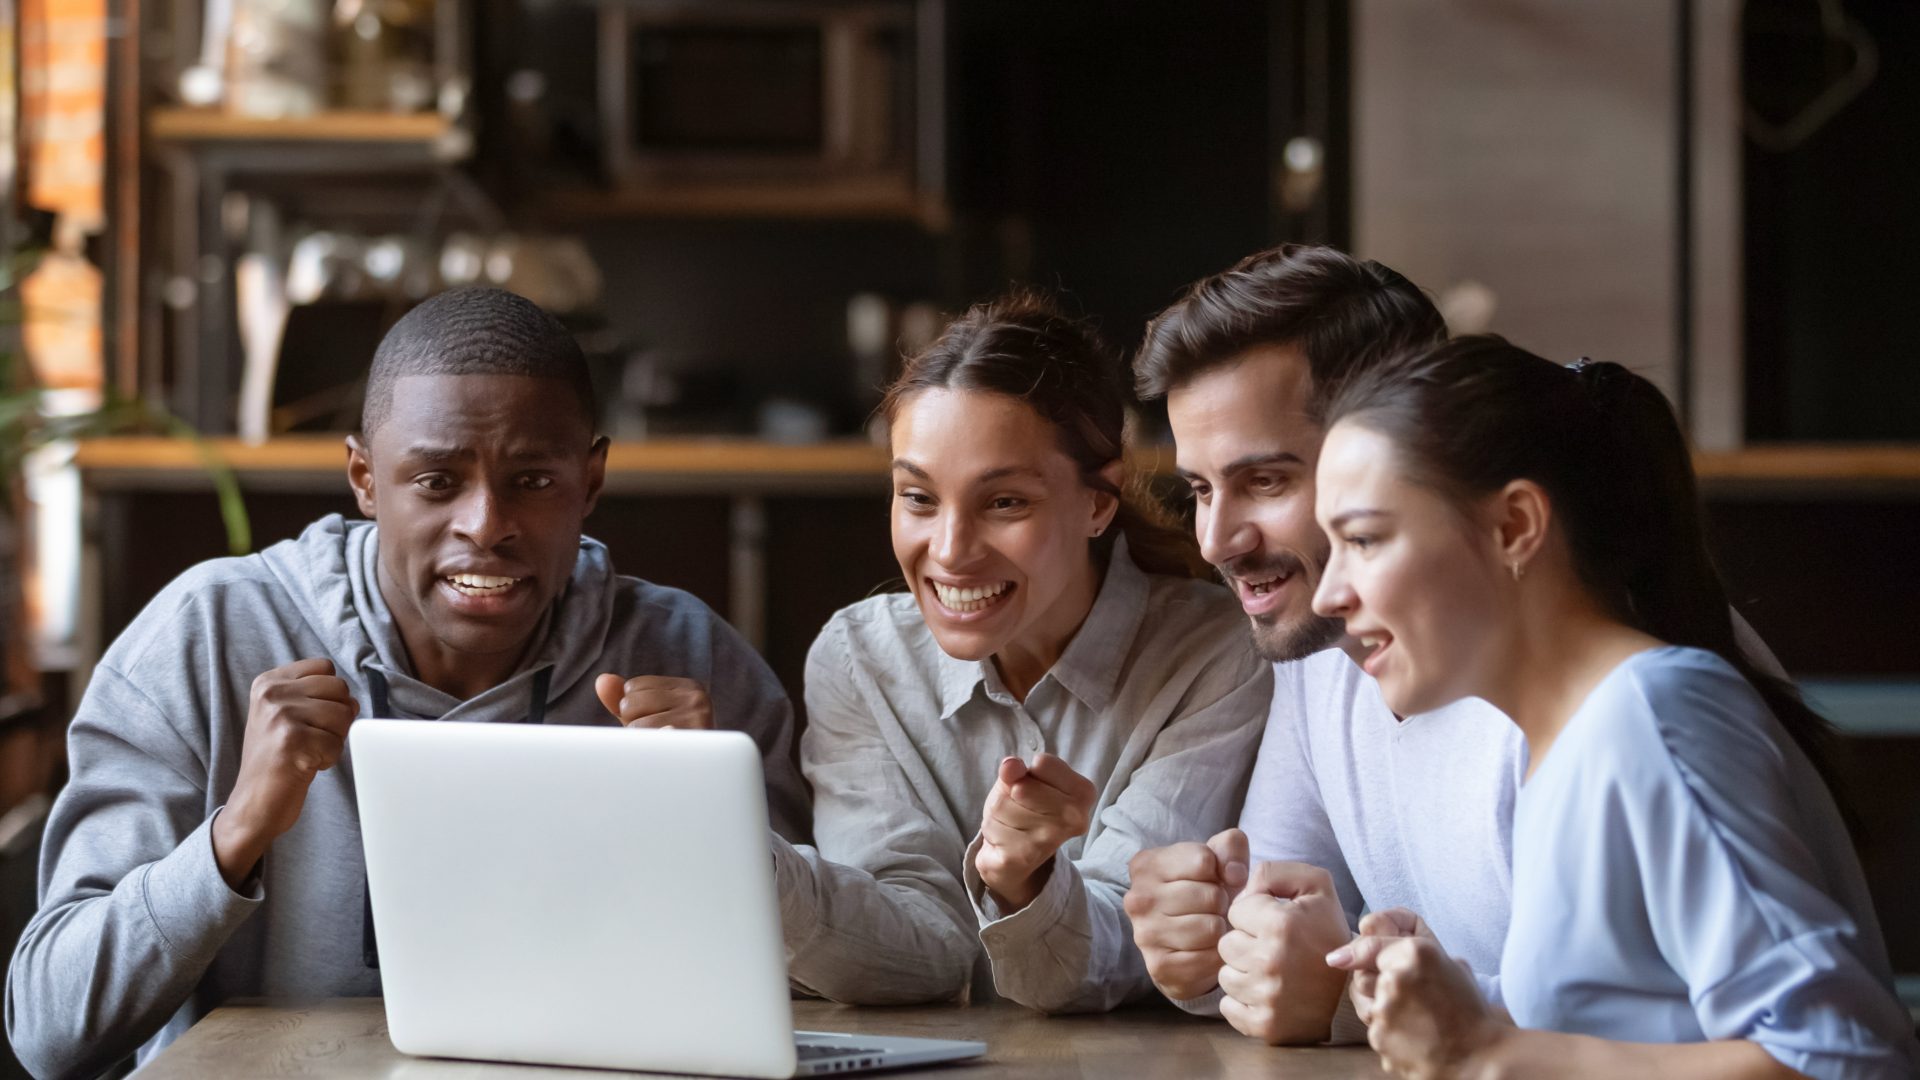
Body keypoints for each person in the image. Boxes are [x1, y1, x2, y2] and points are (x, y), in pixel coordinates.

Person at [5, 288, 809, 1079]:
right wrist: (236, 831)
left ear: (590, 481)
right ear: (363, 477)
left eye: (533, 481)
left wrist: (714, 838)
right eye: (436, 482)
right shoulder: (206, 635)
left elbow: (814, 994)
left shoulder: (687, 657)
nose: (486, 525)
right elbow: (49, 1031)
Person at [1120, 244, 1784, 1045]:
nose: (1216, 540)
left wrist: (1394, 1011)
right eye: (1197, 488)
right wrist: (1222, 943)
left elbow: (1796, 1039)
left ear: (1408, 436)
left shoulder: (1626, 689)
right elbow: (1283, 930)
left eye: (1267, 481)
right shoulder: (1321, 643)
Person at [1313, 336, 1918, 1079]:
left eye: (1364, 539)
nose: (1327, 595)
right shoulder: (1564, 742)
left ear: (1514, 527)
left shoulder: (1652, 717)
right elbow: (1641, 1019)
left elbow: (1849, 1058)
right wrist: (1465, 999)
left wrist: (1486, 1053)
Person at [771, 293, 1271, 1012]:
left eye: (1004, 503)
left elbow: (1129, 951)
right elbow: (911, 953)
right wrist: (741, 865)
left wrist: (1023, 879)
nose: (949, 552)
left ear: (1100, 502)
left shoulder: (1215, 656)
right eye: (918, 498)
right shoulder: (858, 658)